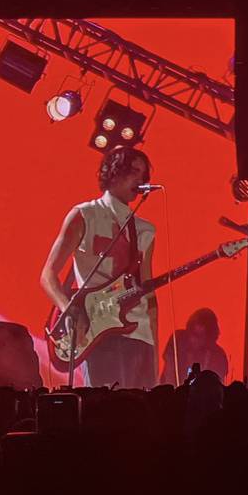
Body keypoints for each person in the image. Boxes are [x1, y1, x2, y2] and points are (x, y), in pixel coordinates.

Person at [39, 146, 158, 389]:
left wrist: (154, 344)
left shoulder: (146, 230)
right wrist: (69, 310)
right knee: (106, 409)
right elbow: (48, 274)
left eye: (143, 175)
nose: (139, 180)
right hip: (101, 329)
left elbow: (148, 291)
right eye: (134, 171)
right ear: (114, 172)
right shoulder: (85, 215)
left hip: (139, 332)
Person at [160, 307, 229, 385]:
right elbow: (169, 373)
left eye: (200, 336)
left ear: (209, 338)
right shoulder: (178, 339)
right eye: (192, 333)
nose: (193, 339)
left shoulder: (218, 355)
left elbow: (217, 388)